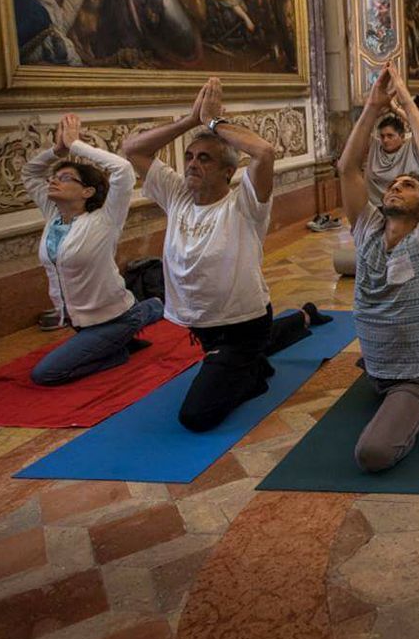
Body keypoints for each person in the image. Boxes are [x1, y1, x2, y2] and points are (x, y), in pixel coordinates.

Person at [123, 78, 328, 432]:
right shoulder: (177, 196)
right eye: (189, 157)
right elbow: (133, 150)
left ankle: (255, 372)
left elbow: (263, 152)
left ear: (228, 172)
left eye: (204, 158)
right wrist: (191, 121)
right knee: (253, 348)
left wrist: (214, 122)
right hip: (204, 327)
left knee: (196, 417)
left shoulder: (244, 205)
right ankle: (301, 317)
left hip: (242, 326)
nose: (191, 164)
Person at [337, 65, 419, 472]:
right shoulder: (368, 226)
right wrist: (371, 107)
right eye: (392, 185)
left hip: (416, 374)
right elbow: (348, 169)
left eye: (407, 185)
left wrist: (406, 99)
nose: (395, 187)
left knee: (372, 455)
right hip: (374, 365)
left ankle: (414, 402)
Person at [22, 113, 164, 385]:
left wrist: (76, 145)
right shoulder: (53, 215)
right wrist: (57, 150)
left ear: (87, 192)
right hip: (78, 321)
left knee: (45, 374)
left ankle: (123, 342)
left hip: (113, 318)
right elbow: (30, 172)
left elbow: (122, 169)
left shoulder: (104, 219)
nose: (54, 180)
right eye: (55, 176)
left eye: (65, 178)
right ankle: (149, 311)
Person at [333, 112, 419, 276]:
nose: (385, 140)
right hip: (375, 208)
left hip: (405, 210)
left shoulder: (411, 147)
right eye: (382, 136)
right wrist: (374, 110)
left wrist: (398, 108)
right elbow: (349, 157)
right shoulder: (374, 146)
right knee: (375, 254)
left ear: (402, 137)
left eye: (390, 135)